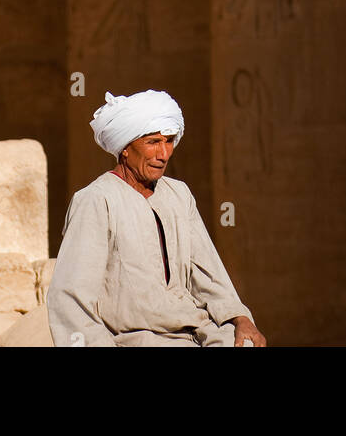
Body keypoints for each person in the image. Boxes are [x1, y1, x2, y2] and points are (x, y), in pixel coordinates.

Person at [47, 89, 266, 348]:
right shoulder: (97, 200)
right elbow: (71, 299)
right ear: (125, 148)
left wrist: (240, 317)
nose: (164, 154)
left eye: (169, 140)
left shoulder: (179, 194)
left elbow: (209, 273)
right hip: (134, 339)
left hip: (196, 331)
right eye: (153, 142)